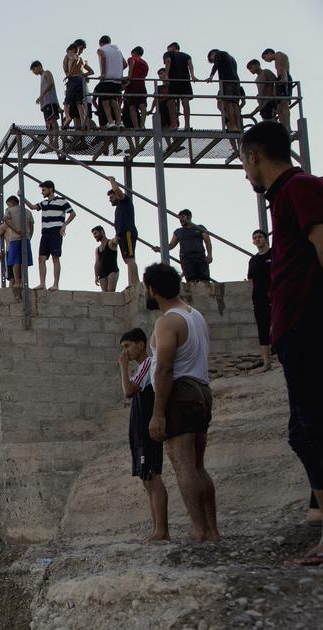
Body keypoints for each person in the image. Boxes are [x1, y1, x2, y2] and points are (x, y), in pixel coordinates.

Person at [240, 120, 323, 562]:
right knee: (301, 431)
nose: (244, 172)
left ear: (254, 155)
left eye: (243, 161)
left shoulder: (300, 188)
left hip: (309, 326)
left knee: (314, 426)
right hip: (291, 329)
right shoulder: (284, 198)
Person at [144, 263, 218, 543]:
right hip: (202, 389)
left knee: (184, 467)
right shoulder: (195, 315)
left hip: (180, 394)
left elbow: (164, 368)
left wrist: (158, 414)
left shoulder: (167, 322)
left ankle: (200, 531)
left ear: (152, 289)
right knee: (198, 466)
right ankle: (212, 530)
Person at [119, 328, 169, 542]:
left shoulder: (148, 364)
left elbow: (129, 391)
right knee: (147, 480)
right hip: (139, 430)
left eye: (127, 346)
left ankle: (162, 530)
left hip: (147, 429)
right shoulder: (141, 368)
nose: (125, 352)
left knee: (153, 477)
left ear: (140, 344)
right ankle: (157, 528)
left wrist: (122, 367)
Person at [24, 180, 75, 290]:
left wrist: (64, 225)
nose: (42, 192)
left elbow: (72, 213)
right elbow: (33, 207)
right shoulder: (44, 203)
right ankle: (42, 283)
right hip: (45, 232)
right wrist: (22, 197)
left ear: (50, 189)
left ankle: (56, 284)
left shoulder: (61, 201)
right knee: (41, 258)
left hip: (56, 231)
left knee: (55, 258)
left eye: (44, 190)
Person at [247, 229, 274, 371]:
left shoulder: (275, 254)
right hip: (259, 300)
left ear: (265, 239)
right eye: (255, 238)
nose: (257, 239)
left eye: (260, 237)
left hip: (276, 296)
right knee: (262, 329)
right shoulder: (253, 260)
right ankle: (267, 363)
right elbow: (251, 279)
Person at [0, 195, 35, 287]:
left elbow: (4, 219)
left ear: (12, 203)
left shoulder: (9, 212)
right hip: (24, 240)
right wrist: (29, 237)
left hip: (14, 242)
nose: (7, 207)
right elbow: (32, 226)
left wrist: (16, 230)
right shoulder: (28, 211)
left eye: (8, 204)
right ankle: (20, 282)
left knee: (17, 263)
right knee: (21, 264)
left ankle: (19, 282)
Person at [164, 210, 213, 282]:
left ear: (189, 216)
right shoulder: (178, 231)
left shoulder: (199, 227)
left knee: (204, 280)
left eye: (183, 217)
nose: (180, 220)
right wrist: (160, 249)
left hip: (200, 257)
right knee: (191, 281)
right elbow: (171, 245)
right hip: (186, 259)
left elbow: (207, 241)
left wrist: (209, 255)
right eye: (179, 218)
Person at [107, 177, 139, 287]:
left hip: (127, 233)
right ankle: (133, 283)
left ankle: (135, 283)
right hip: (122, 234)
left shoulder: (124, 201)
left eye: (111, 197)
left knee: (130, 259)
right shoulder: (120, 207)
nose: (110, 199)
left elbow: (117, 191)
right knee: (128, 260)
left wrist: (112, 180)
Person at [206, 49, 243, 139]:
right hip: (236, 82)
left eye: (212, 59)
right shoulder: (231, 58)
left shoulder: (220, 54)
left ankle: (233, 126)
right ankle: (238, 126)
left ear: (213, 54)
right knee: (235, 104)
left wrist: (211, 76)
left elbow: (216, 65)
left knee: (229, 103)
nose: (213, 61)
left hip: (227, 82)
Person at [95, 35, 126, 129]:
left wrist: (104, 73)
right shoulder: (118, 51)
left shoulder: (101, 50)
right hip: (117, 80)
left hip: (107, 79)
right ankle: (119, 122)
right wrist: (117, 71)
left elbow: (103, 58)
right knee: (114, 100)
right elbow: (125, 64)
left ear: (101, 42)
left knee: (105, 101)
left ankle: (110, 121)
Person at [163, 43, 196, 130]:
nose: (167, 50)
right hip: (185, 79)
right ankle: (187, 125)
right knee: (185, 100)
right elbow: (190, 64)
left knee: (171, 101)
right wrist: (192, 75)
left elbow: (168, 61)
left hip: (173, 79)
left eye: (168, 48)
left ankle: (174, 124)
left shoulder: (168, 54)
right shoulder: (186, 55)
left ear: (173, 47)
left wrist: (166, 75)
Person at [62, 39, 94, 131]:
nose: (81, 51)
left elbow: (73, 62)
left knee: (67, 102)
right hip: (79, 80)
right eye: (81, 49)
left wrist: (69, 74)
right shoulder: (79, 58)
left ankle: (68, 117)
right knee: (79, 103)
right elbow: (91, 71)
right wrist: (82, 75)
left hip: (73, 80)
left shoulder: (72, 55)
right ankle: (83, 121)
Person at [30, 61, 60, 151]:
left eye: (34, 69)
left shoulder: (46, 72)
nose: (34, 72)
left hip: (50, 101)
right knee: (48, 124)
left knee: (53, 120)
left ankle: (56, 142)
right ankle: (50, 144)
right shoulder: (41, 77)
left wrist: (41, 96)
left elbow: (50, 83)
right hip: (45, 104)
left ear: (39, 66)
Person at [261, 49, 292, 131]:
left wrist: (284, 79)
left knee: (284, 104)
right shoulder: (277, 57)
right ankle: (283, 125)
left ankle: (287, 126)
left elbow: (282, 68)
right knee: (279, 106)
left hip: (283, 78)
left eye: (265, 58)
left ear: (269, 53)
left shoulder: (278, 54)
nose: (266, 61)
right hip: (280, 79)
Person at [124, 46, 149, 132]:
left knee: (132, 106)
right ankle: (142, 125)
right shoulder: (145, 63)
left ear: (134, 52)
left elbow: (131, 68)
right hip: (142, 84)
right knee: (142, 105)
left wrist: (128, 78)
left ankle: (136, 126)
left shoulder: (132, 59)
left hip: (133, 84)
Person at [92, 225, 120, 292]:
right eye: (93, 234)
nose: (94, 236)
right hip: (102, 274)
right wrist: (96, 276)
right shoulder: (97, 249)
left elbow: (115, 241)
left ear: (102, 232)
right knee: (105, 296)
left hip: (112, 271)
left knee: (110, 292)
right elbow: (97, 263)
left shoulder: (110, 243)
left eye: (95, 233)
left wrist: (117, 237)